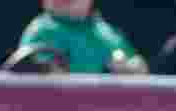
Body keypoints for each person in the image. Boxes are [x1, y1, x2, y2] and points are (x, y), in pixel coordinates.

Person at [13, 0, 147, 75]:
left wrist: (131, 69)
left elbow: (139, 69)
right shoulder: (41, 30)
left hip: (99, 110)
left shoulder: (105, 33)